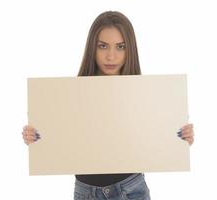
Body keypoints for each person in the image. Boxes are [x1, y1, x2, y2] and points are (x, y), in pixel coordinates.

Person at [22, 11, 194, 200]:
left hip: (131, 191)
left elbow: (153, 137)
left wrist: (180, 139)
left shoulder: (145, 95)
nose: (111, 56)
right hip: (86, 192)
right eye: (103, 46)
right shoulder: (69, 96)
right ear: (92, 48)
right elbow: (61, 139)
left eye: (120, 47)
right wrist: (37, 138)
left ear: (130, 50)